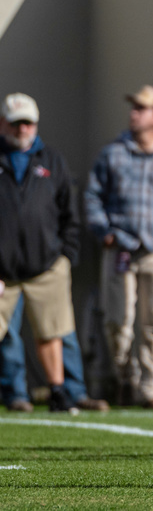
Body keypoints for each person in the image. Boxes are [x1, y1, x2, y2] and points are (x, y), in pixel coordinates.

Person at [84, 86, 153, 410]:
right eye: (133, 107)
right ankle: (127, 379)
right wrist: (104, 231)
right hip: (120, 247)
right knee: (117, 321)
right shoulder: (113, 153)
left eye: (142, 108)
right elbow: (92, 196)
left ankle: (152, 391)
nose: (134, 113)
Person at [0, 93, 81, 412]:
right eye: (16, 123)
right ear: (3, 123)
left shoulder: (52, 160)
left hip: (45, 265)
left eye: (28, 123)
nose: (22, 129)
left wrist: (65, 256)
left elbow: (68, 213)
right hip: (3, 270)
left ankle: (59, 391)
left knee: (53, 332)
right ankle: (15, 393)